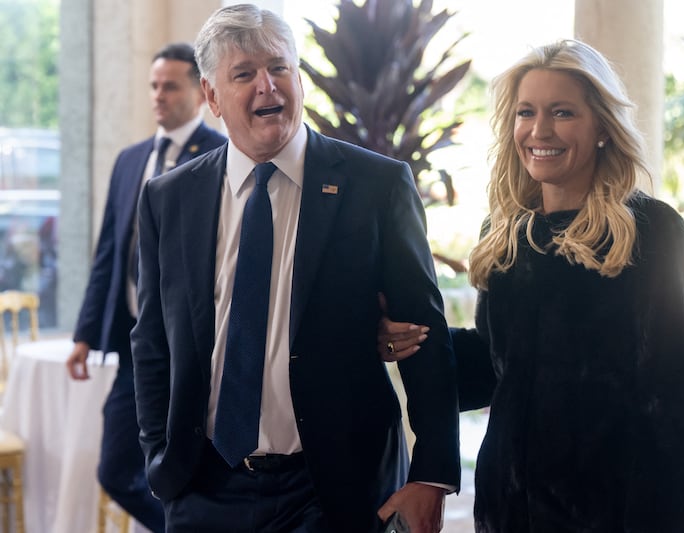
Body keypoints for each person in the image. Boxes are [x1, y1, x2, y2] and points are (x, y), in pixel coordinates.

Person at [130, 5, 460, 533]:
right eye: (244, 74)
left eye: (279, 68)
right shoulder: (168, 198)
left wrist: (433, 474)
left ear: (299, 78)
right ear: (212, 97)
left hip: (335, 491)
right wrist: (158, 458)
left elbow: (426, 338)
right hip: (204, 488)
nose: (267, 86)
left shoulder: (377, 186)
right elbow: (152, 341)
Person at [380, 39, 684, 532]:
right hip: (506, 513)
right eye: (525, 112)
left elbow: (683, 415)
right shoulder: (506, 234)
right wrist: (405, 338)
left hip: (613, 517)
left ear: (601, 125)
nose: (539, 131)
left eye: (562, 113)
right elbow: (500, 366)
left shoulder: (651, 233)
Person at [67, 42, 227, 532]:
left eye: (171, 85)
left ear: (201, 93)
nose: (159, 95)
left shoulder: (222, 156)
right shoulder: (130, 160)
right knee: (116, 469)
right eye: (154, 85)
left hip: (198, 348)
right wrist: (85, 334)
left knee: (192, 467)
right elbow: (108, 255)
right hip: (139, 346)